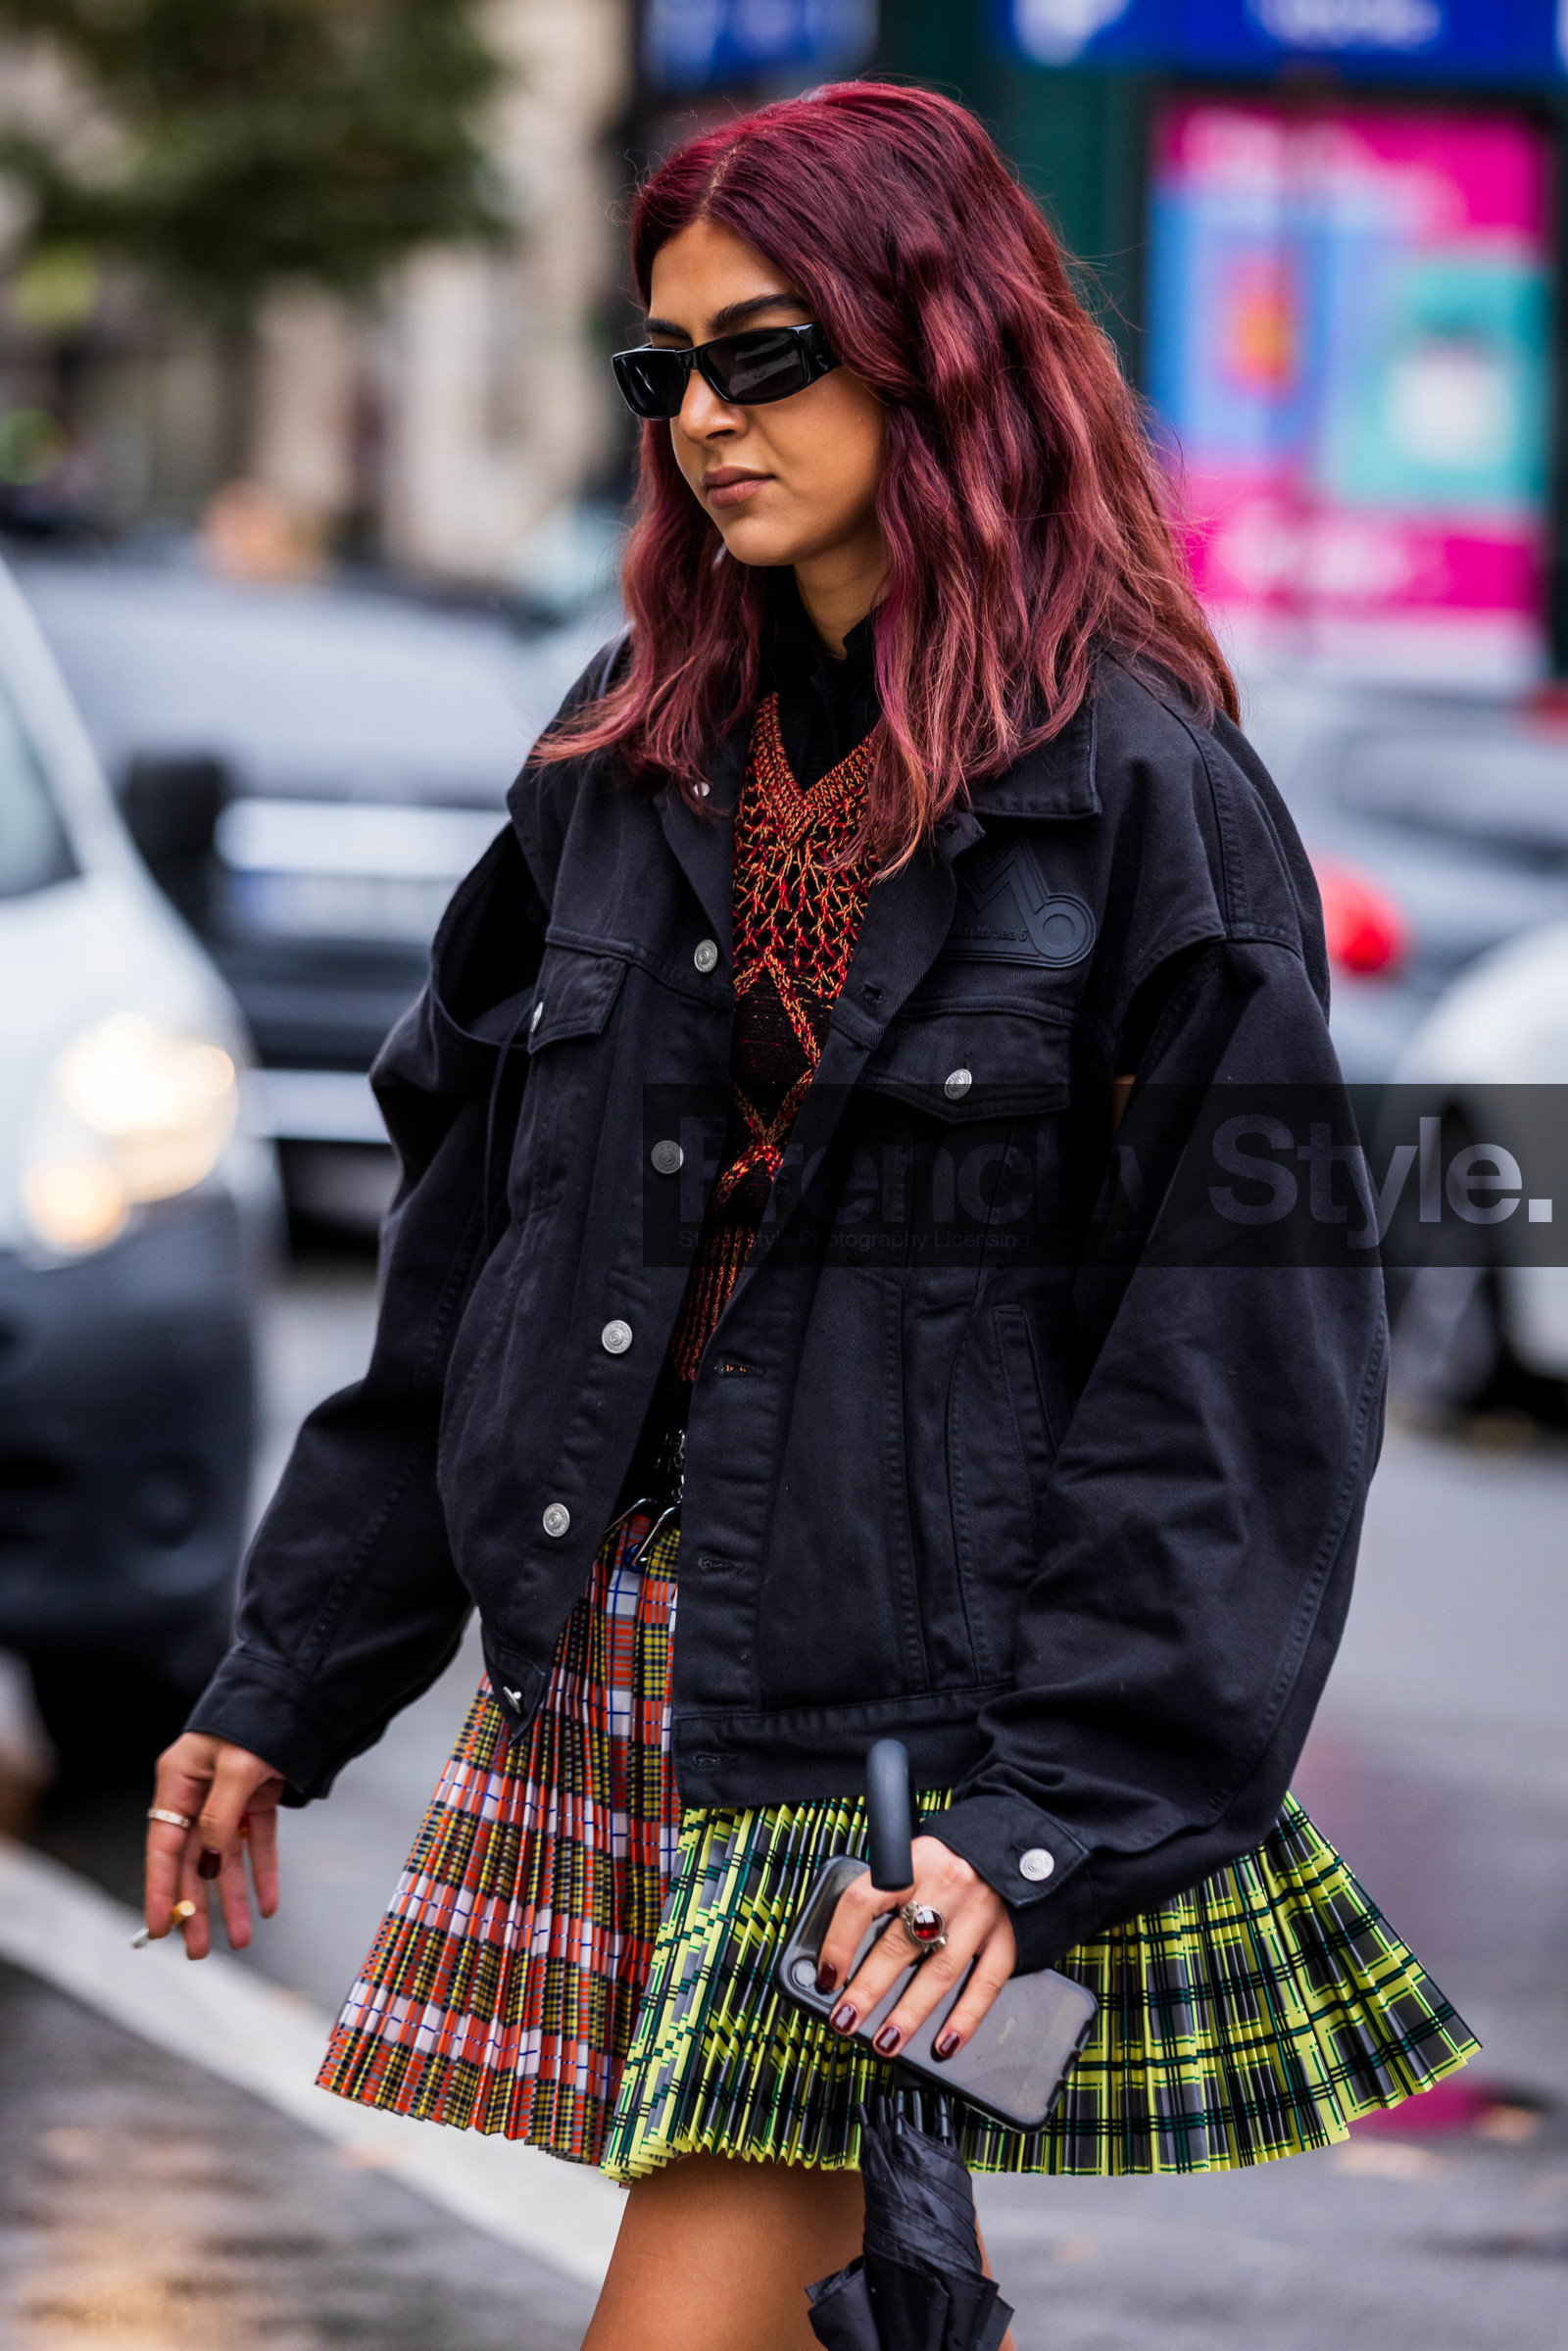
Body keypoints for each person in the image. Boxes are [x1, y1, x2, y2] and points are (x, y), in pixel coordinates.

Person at [142, 83, 1475, 2351]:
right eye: (661, 369)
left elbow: (1237, 1380)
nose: (701, 420)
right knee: (859, 2311)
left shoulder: (1142, 797)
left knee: (712, 2314)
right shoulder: (622, 752)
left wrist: (1046, 1813)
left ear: (934, 350)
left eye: (764, 355)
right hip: (635, 1674)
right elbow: (469, 1264)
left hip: (910, 1744)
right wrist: (295, 1673)